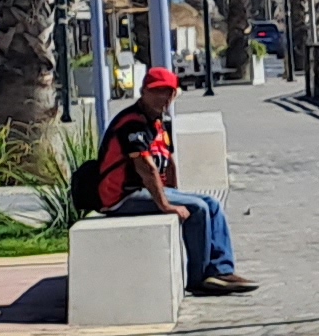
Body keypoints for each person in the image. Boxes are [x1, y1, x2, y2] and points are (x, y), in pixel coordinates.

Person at [90, 67, 256, 295]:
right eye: (156, 92)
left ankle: (221, 270)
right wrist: (166, 204)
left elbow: (168, 161)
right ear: (143, 92)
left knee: (212, 204)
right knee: (197, 208)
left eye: (168, 92)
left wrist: (176, 192)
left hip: (144, 190)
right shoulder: (132, 123)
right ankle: (200, 279)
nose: (163, 98)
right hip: (121, 196)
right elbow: (145, 168)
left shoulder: (159, 121)